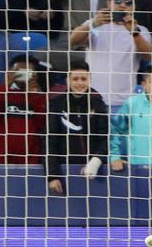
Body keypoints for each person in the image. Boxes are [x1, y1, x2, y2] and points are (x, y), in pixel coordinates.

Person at [68, 0, 152, 107]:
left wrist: (134, 33)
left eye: (128, 2)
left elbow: (149, 56)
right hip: (93, 99)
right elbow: (73, 41)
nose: (123, 5)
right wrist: (93, 24)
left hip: (124, 102)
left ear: (134, 7)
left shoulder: (141, 31)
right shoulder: (95, 24)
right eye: (118, 0)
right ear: (109, 3)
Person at [44, 60, 108, 193]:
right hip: (64, 171)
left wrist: (96, 161)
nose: (80, 83)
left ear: (89, 80)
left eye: (83, 79)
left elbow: (105, 138)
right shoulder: (56, 104)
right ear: (68, 80)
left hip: (94, 172)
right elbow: (50, 141)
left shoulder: (98, 104)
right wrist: (52, 175)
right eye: (75, 79)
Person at [0, 56, 48, 164]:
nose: (23, 76)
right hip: (5, 157)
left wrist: (34, 96)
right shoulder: (4, 94)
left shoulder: (40, 98)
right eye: (19, 72)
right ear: (12, 73)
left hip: (32, 158)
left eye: (27, 72)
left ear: (35, 75)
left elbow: (43, 125)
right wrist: (5, 86)